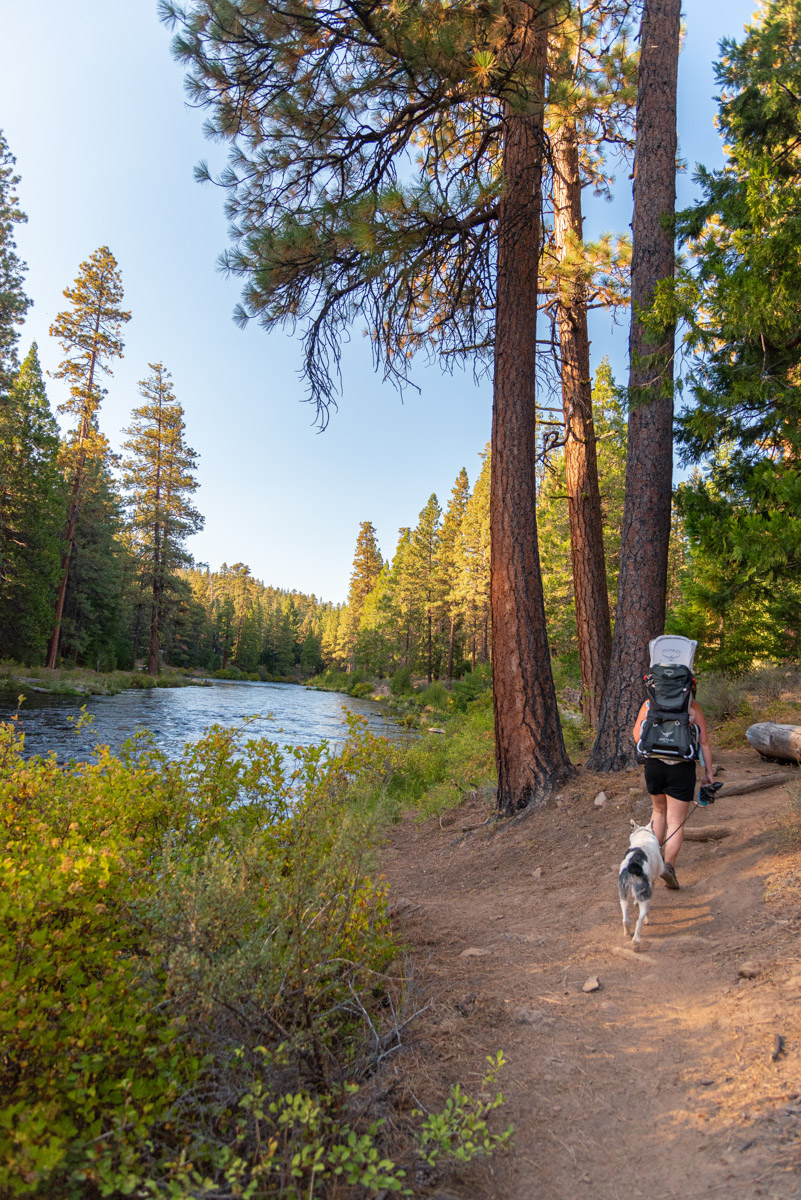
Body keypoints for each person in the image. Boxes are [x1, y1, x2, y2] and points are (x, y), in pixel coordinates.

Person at [632, 694, 714, 889]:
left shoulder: (649, 703)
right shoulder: (692, 705)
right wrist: (709, 773)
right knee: (675, 821)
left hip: (654, 764)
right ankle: (668, 867)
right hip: (682, 765)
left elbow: (637, 734)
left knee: (658, 811)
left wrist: (653, 751)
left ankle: (651, 863)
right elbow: (703, 742)